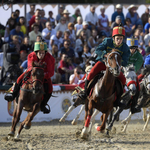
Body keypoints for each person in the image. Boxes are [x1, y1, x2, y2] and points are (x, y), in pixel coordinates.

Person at [79, 26, 130, 103]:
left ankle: (118, 99)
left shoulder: (125, 48)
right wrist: (105, 55)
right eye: (117, 38)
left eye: (121, 39)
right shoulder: (107, 41)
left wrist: (117, 63)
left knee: (123, 79)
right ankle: (85, 93)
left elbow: (125, 61)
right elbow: (98, 50)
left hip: (115, 67)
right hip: (103, 63)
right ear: (113, 38)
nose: (119, 41)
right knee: (91, 73)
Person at [4, 42, 55, 114]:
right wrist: (36, 73)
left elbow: (51, 72)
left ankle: (43, 105)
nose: (41, 55)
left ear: (45, 53)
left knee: (50, 88)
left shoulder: (50, 58)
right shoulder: (31, 56)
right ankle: (13, 95)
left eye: (43, 53)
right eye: (39, 53)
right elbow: (30, 68)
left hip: (43, 75)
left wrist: (43, 75)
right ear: (36, 52)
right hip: (32, 74)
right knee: (19, 79)